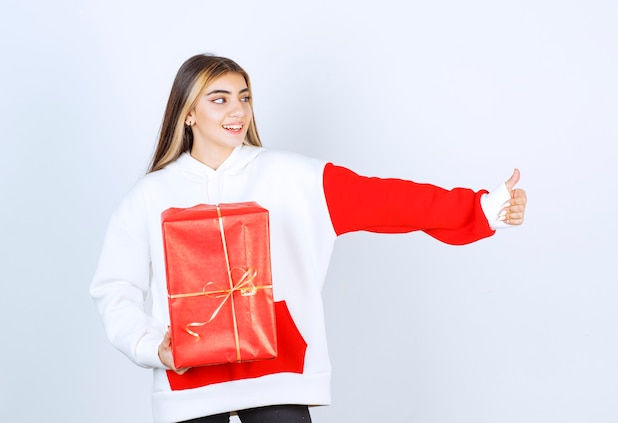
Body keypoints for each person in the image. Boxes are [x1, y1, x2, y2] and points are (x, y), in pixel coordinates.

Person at [90, 54, 527, 423]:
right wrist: (153, 348)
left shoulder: (294, 177)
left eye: (243, 97)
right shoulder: (149, 196)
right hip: (188, 383)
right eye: (219, 99)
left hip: (279, 374)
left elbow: (390, 200)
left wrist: (486, 207)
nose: (237, 111)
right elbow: (115, 289)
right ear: (188, 113)